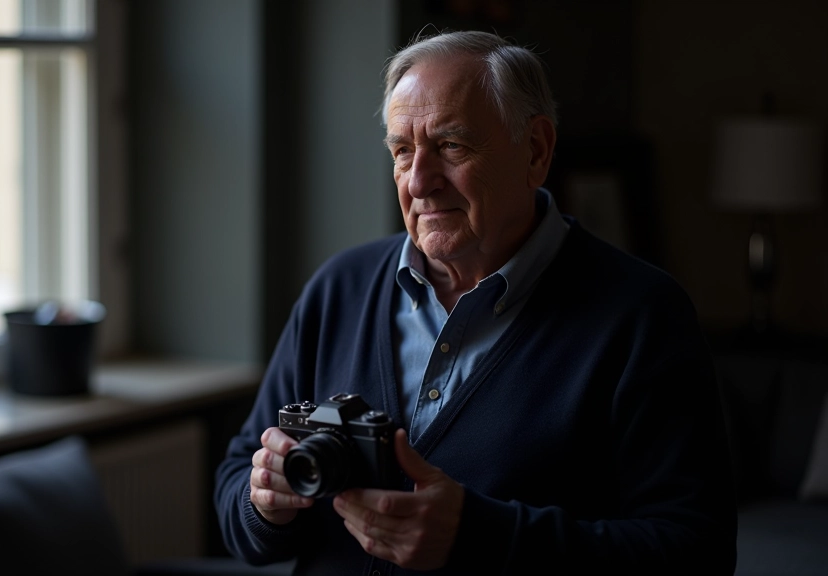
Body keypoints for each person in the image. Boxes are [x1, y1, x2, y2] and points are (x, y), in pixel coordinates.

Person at [214, 30, 737, 575]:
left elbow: (696, 552)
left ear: (536, 151)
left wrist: (478, 537)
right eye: (402, 151)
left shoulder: (642, 316)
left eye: (451, 146)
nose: (419, 181)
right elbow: (237, 483)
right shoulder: (338, 287)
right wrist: (264, 504)